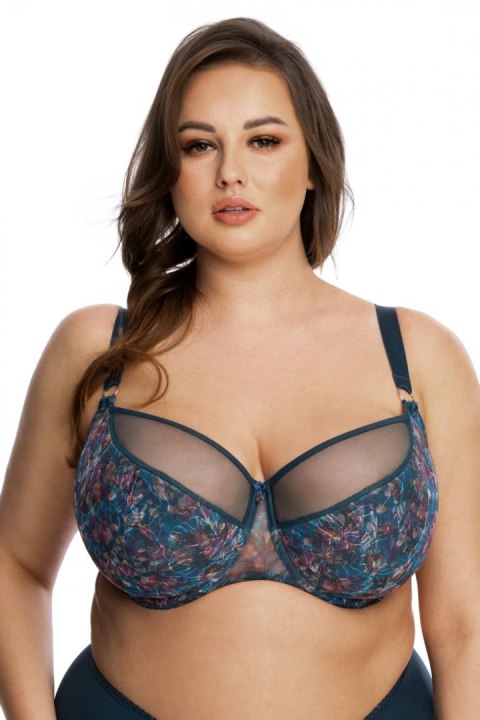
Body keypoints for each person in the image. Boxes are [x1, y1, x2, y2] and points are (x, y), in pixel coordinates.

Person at [0, 15, 479, 720]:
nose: (231, 172)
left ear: (313, 163)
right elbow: (16, 567)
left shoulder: (417, 355)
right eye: (199, 145)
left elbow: (464, 626)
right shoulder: (98, 351)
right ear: (170, 172)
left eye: (264, 140)